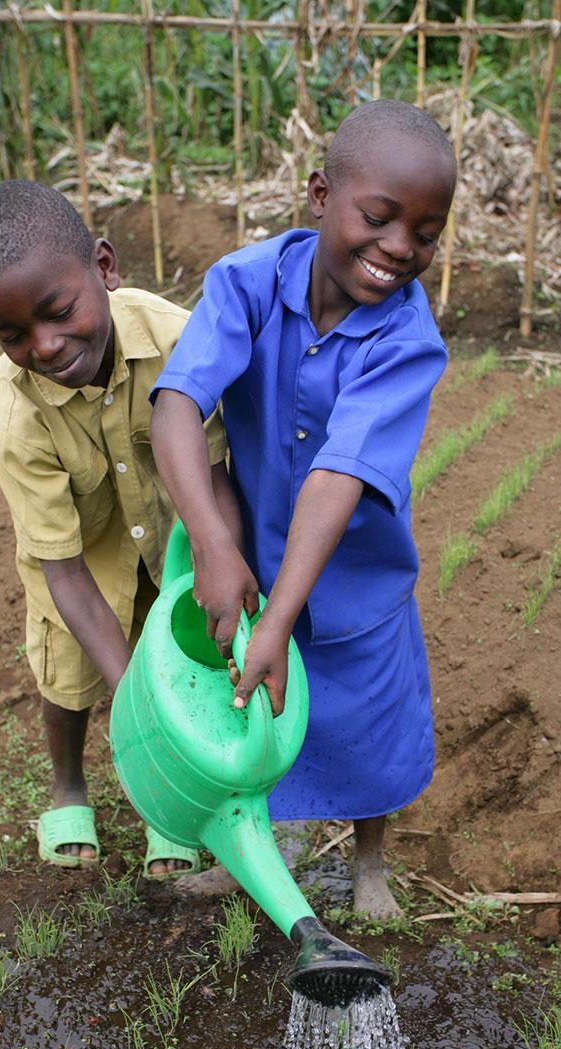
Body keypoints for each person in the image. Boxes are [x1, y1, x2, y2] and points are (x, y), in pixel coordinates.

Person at [150, 100, 457, 920]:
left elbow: (336, 477)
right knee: (253, 705)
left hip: (355, 578)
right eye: (380, 217)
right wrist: (215, 545)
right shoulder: (245, 283)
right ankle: (258, 850)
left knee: (368, 721)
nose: (400, 248)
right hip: (252, 557)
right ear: (321, 194)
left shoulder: (407, 340)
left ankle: (370, 867)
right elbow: (178, 401)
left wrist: (282, 619)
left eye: (426, 233)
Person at [0, 179, 237, 875]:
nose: (45, 346)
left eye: (57, 312)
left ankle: (160, 801)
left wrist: (218, 552)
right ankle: (69, 784)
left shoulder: (176, 339)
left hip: (173, 547)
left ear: (104, 268)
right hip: (78, 567)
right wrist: (136, 698)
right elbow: (62, 567)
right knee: (70, 679)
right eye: (11, 334)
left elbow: (220, 471)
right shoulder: (11, 413)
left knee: (180, 656)